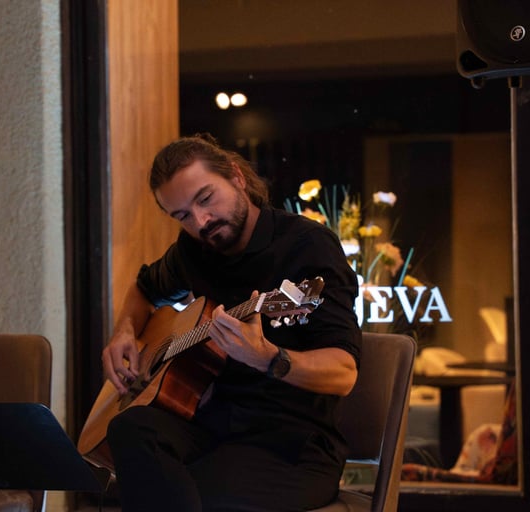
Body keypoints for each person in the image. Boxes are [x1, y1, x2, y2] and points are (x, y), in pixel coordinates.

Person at [101, 134, 362, 511]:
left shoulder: (308, 246)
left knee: (186, 491)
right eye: (182, 216)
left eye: (205, 198)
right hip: (212, 426)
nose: (201, 221)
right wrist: (124, 331)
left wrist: (268, 358)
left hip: (293, 446)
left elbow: (344, 373)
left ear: (237, 177)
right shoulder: (194, 250)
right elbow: (144, 289)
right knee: (129, 428)